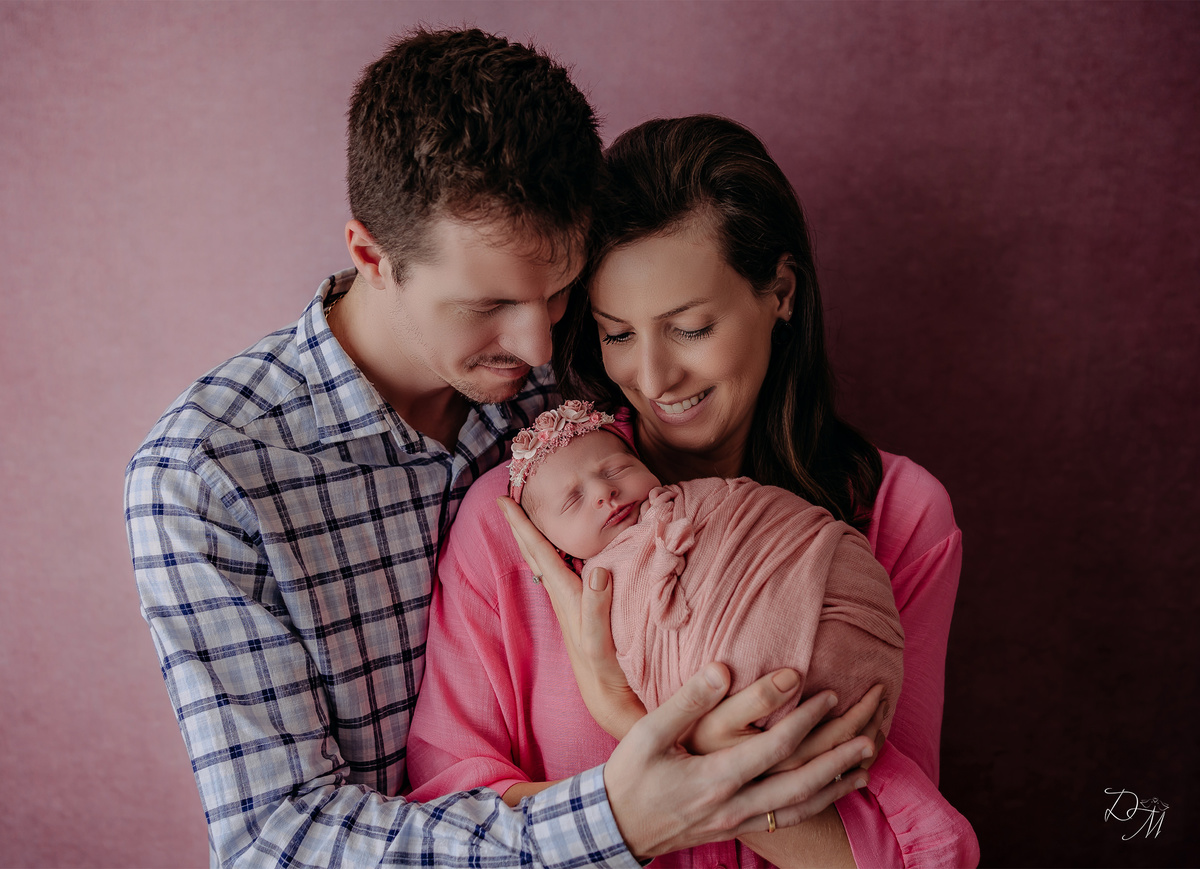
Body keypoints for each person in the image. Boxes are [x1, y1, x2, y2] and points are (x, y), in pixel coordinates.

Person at [124, 32, 879, 868]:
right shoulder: (210, 476)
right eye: (488, 306)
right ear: (372, 257)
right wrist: (620, 818)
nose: (540, 347)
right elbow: (277, 841)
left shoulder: (573, 401)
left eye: (558, 293)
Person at [406, 115, 980, 867]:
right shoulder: (524, 518)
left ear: (780, 292)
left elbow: (903, 855)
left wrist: (635, 716)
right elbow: (450, 824)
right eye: (617, 333)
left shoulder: (899, 514)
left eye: (690, 328)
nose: (652, 376)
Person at [502, 400, 904, 733]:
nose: (604, 491)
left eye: (615, 470)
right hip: (737, 696)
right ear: (551, 544)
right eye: (573, 500)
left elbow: (766, 517)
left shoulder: (702, 498)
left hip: (840, 610)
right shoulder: (598, 586)